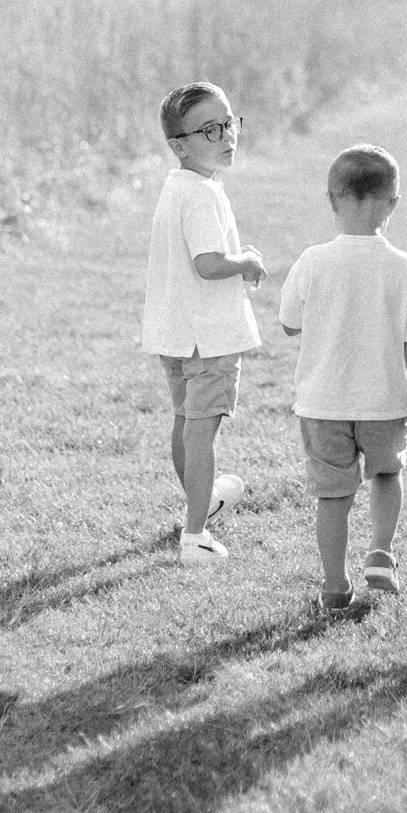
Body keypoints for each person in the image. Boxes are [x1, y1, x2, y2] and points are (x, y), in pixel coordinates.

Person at [279, 145, 407, 611]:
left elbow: (290, 323)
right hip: (386, 402)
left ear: (332, 199)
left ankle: (334, 583)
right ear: (392, 203)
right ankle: (381, 553)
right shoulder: (406, 267)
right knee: (387, 473)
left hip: (322, 404)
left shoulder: (312, 261)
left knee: (333, 495)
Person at [142, 81, 265, 568]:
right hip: (207, 337)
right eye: (209, 130)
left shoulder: (181, 187)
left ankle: (202, 499)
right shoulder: (200, 196)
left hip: (176, 332)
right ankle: (195, 535)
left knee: (185, 423)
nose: (226, 136)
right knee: (201, 433)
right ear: (179, 145)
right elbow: (209, 263)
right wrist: (247, 261)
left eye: (229, 123)